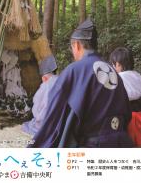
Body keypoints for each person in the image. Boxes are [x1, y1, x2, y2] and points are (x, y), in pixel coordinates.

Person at [28, 18, 134, 148]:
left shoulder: (74, 69)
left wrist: (35, 146)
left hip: (93, 146)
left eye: (72, 47)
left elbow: (52, 114)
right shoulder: (113, 71)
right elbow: (127, 114)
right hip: (121, 142)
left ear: (77, 45)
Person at [110, 47, 141, 147]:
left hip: (132, 121)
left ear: (118, 64)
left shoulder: (119, 77)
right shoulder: (138, 75)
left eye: (112, 65)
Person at [22, 55, 58, 135]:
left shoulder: (46, 85)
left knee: (26, 126)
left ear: (43, 77)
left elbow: (37, 109)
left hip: (47, 123)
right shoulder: (61, 80)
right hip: (61, 122)